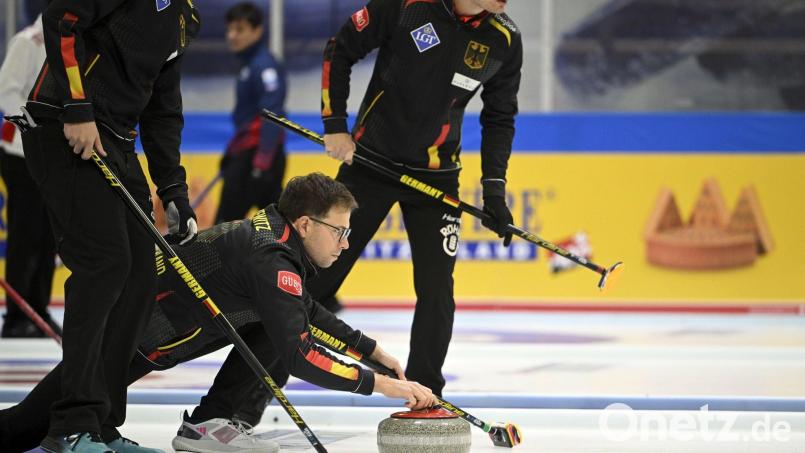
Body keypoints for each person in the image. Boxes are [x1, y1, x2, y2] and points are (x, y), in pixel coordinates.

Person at [0, 173, 437, 453]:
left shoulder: (275, 242)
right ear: (305, 225)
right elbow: (301, 356)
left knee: (280, 324)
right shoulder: (271, 260)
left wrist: (372, 350)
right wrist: (382, 387)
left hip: (143, 336)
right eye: (339, 232)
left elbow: (299, 308)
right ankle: (211, 423)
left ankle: (213, 423)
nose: (345, 244)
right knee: (21, 429)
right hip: (126, 337)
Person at [9, 1, 201, 452]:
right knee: (106, 264)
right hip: (64, 127)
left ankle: (102, 425)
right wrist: (77, 107)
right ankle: (71, 426)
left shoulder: (186, 18)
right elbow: (62, 20)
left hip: (115, 140)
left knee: (139, 274)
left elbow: (163, 106)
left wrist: (173, 189)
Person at [316, 0, 521, 394]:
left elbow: (500, 116)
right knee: (320, 277)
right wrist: (334, 124)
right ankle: (246, 392)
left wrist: (494, 189)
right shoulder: (407, 6)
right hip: (370, 166)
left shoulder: (504, 39)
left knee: (437, 289)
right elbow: (339, 49)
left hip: (436, 178)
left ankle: (426, 393)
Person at [0, 14, 60, 338]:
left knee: (49, 234)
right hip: (20, 155)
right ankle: (15, 315)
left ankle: (38, 309)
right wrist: (33, 130)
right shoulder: (27, 42)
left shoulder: (69, 44)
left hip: (52, 156)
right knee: (25, 234)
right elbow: (6, 94)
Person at [215, 2, 288, 223]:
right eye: (229, 29)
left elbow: (271, 116)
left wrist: (262, 164)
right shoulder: (248, 65)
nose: (232, 35)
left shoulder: (264, 67)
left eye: (239, 29)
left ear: (257, 31)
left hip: (257, 158)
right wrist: (232, 152)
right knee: (278, 229)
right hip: (249, 155)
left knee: (222, 231)